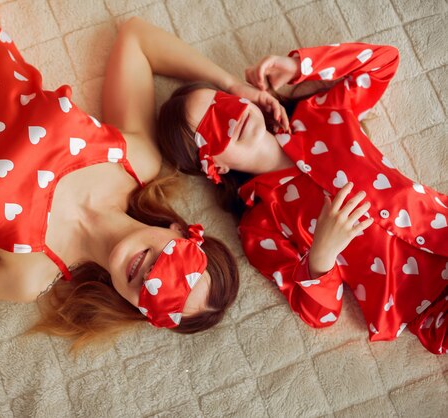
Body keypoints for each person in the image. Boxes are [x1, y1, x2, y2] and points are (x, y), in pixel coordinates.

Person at [0, 1, 290, 347]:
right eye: (176, 271)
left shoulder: (25, 274)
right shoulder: (134, 160)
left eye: (161, 300)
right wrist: (234, 87)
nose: (150, 277)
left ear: (140, 312)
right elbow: (137, 39)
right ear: (180, 230)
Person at [157, 41, 448, 354]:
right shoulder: (260, 226)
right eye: (209, 130)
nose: (229, 119)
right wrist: (321, 255)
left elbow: (383, 61)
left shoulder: (323, 112)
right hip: (425, 306)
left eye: (223, 102)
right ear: (215, 166)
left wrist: (299, 67)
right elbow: (320, 314)